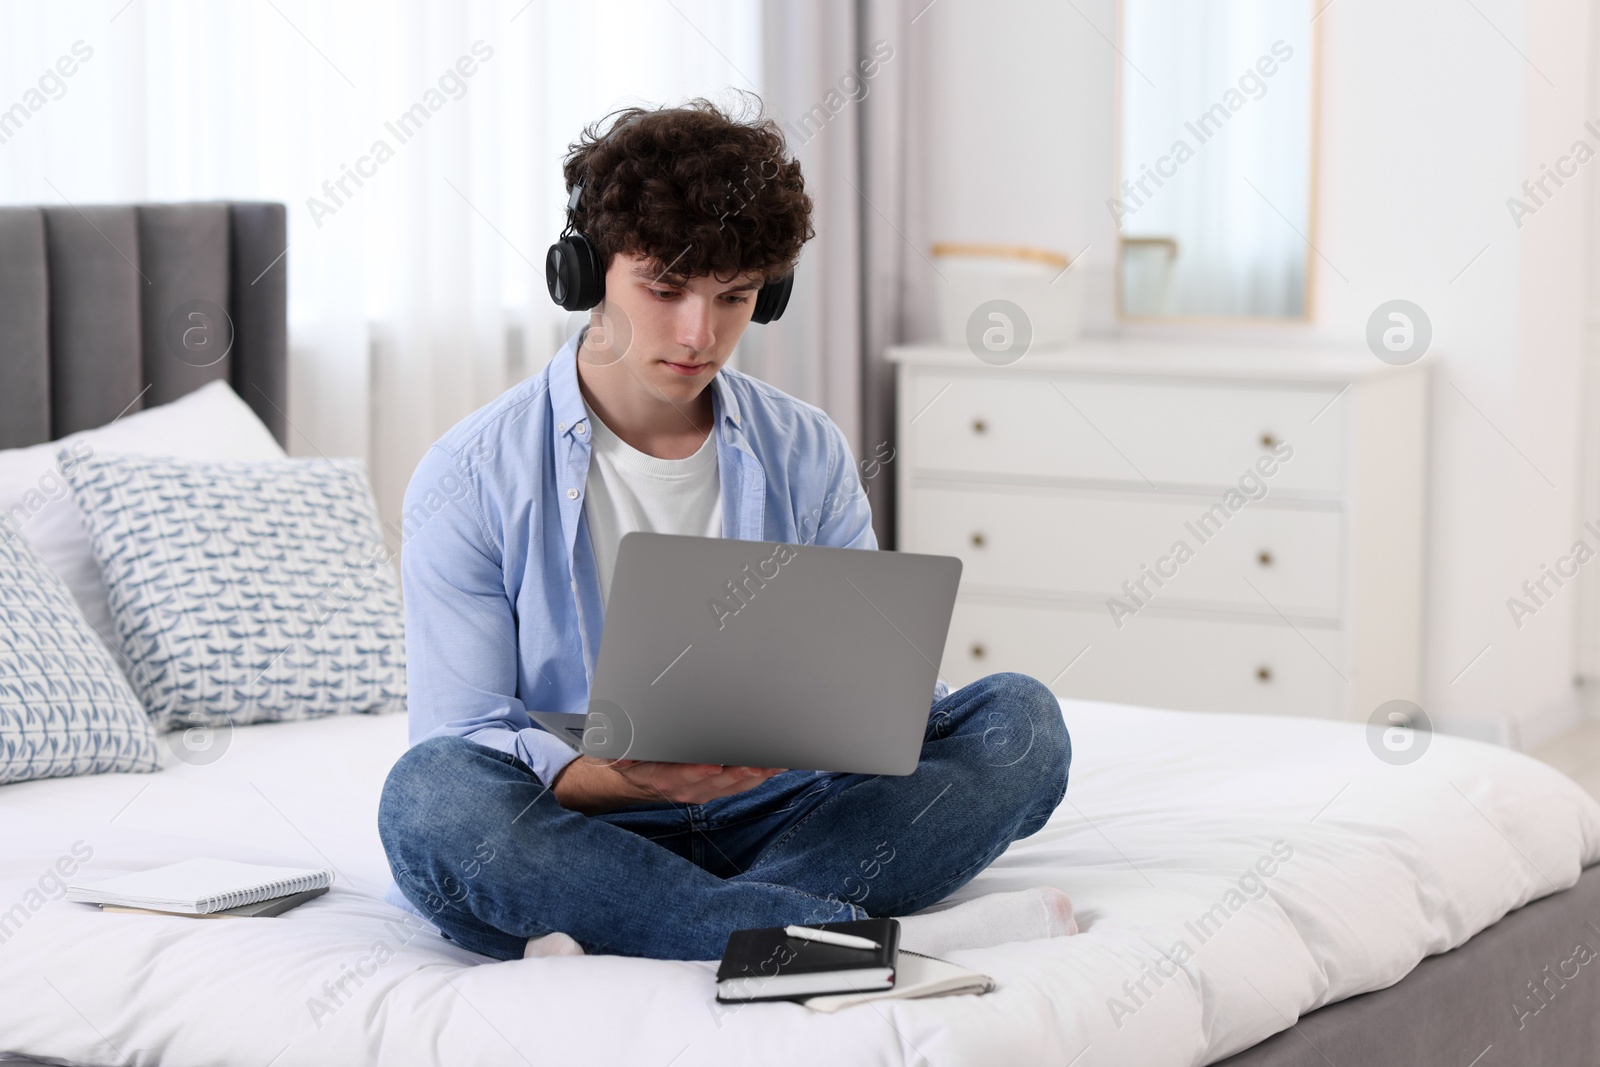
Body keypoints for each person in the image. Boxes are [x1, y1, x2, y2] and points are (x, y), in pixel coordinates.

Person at [377, 98, 1073, 962]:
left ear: (768, 293)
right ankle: (819, 930)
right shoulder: (470, 475)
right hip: (584, 821)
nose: (698, 334)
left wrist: (869, 718)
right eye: (664, 291)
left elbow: (869, 683)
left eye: (735, 297)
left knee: (1023, 722)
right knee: (430, 802)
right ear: (586, 274)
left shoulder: (805, 446)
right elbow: (464, 732)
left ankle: (679, 924)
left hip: (787, 808)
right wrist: (617, 777)